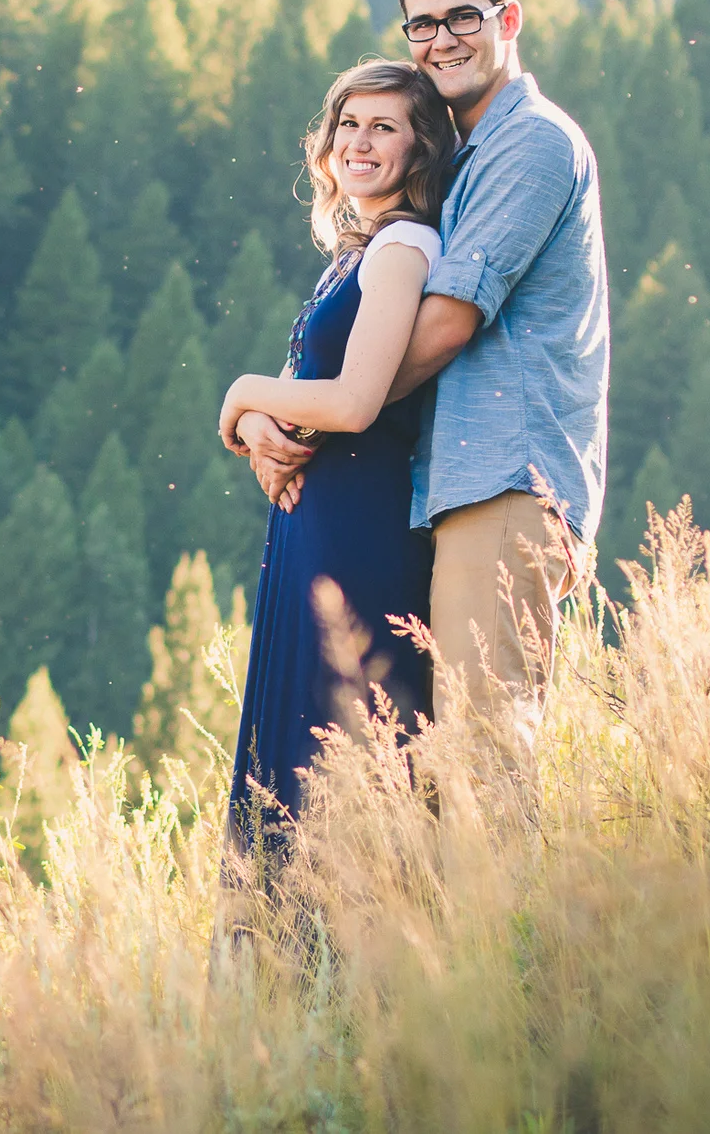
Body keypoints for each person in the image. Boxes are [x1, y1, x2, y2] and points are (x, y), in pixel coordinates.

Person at [242, 0, 610, 747]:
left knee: (484, 754)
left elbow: (444, 326)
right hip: (445, 486)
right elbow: (367, 329)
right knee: (422, 763)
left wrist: (301, 420)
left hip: (508, 479)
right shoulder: (461, 161)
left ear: (508, 19)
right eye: (423, 24)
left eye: (463, 17)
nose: (443, 39)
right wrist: (279, 414)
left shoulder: (531, 142)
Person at [215, 59, 460, 846]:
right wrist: (260, 423)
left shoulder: (404, 248)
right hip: (313, 523)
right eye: (348, 124)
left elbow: (354, 402)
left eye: (384, 127)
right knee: (297, 736)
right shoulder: (357, 253)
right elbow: (307, 390)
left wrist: (241, 391)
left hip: (360, 527)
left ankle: (354, 918)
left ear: (421, 149)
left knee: (341, 735)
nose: (359, 142)